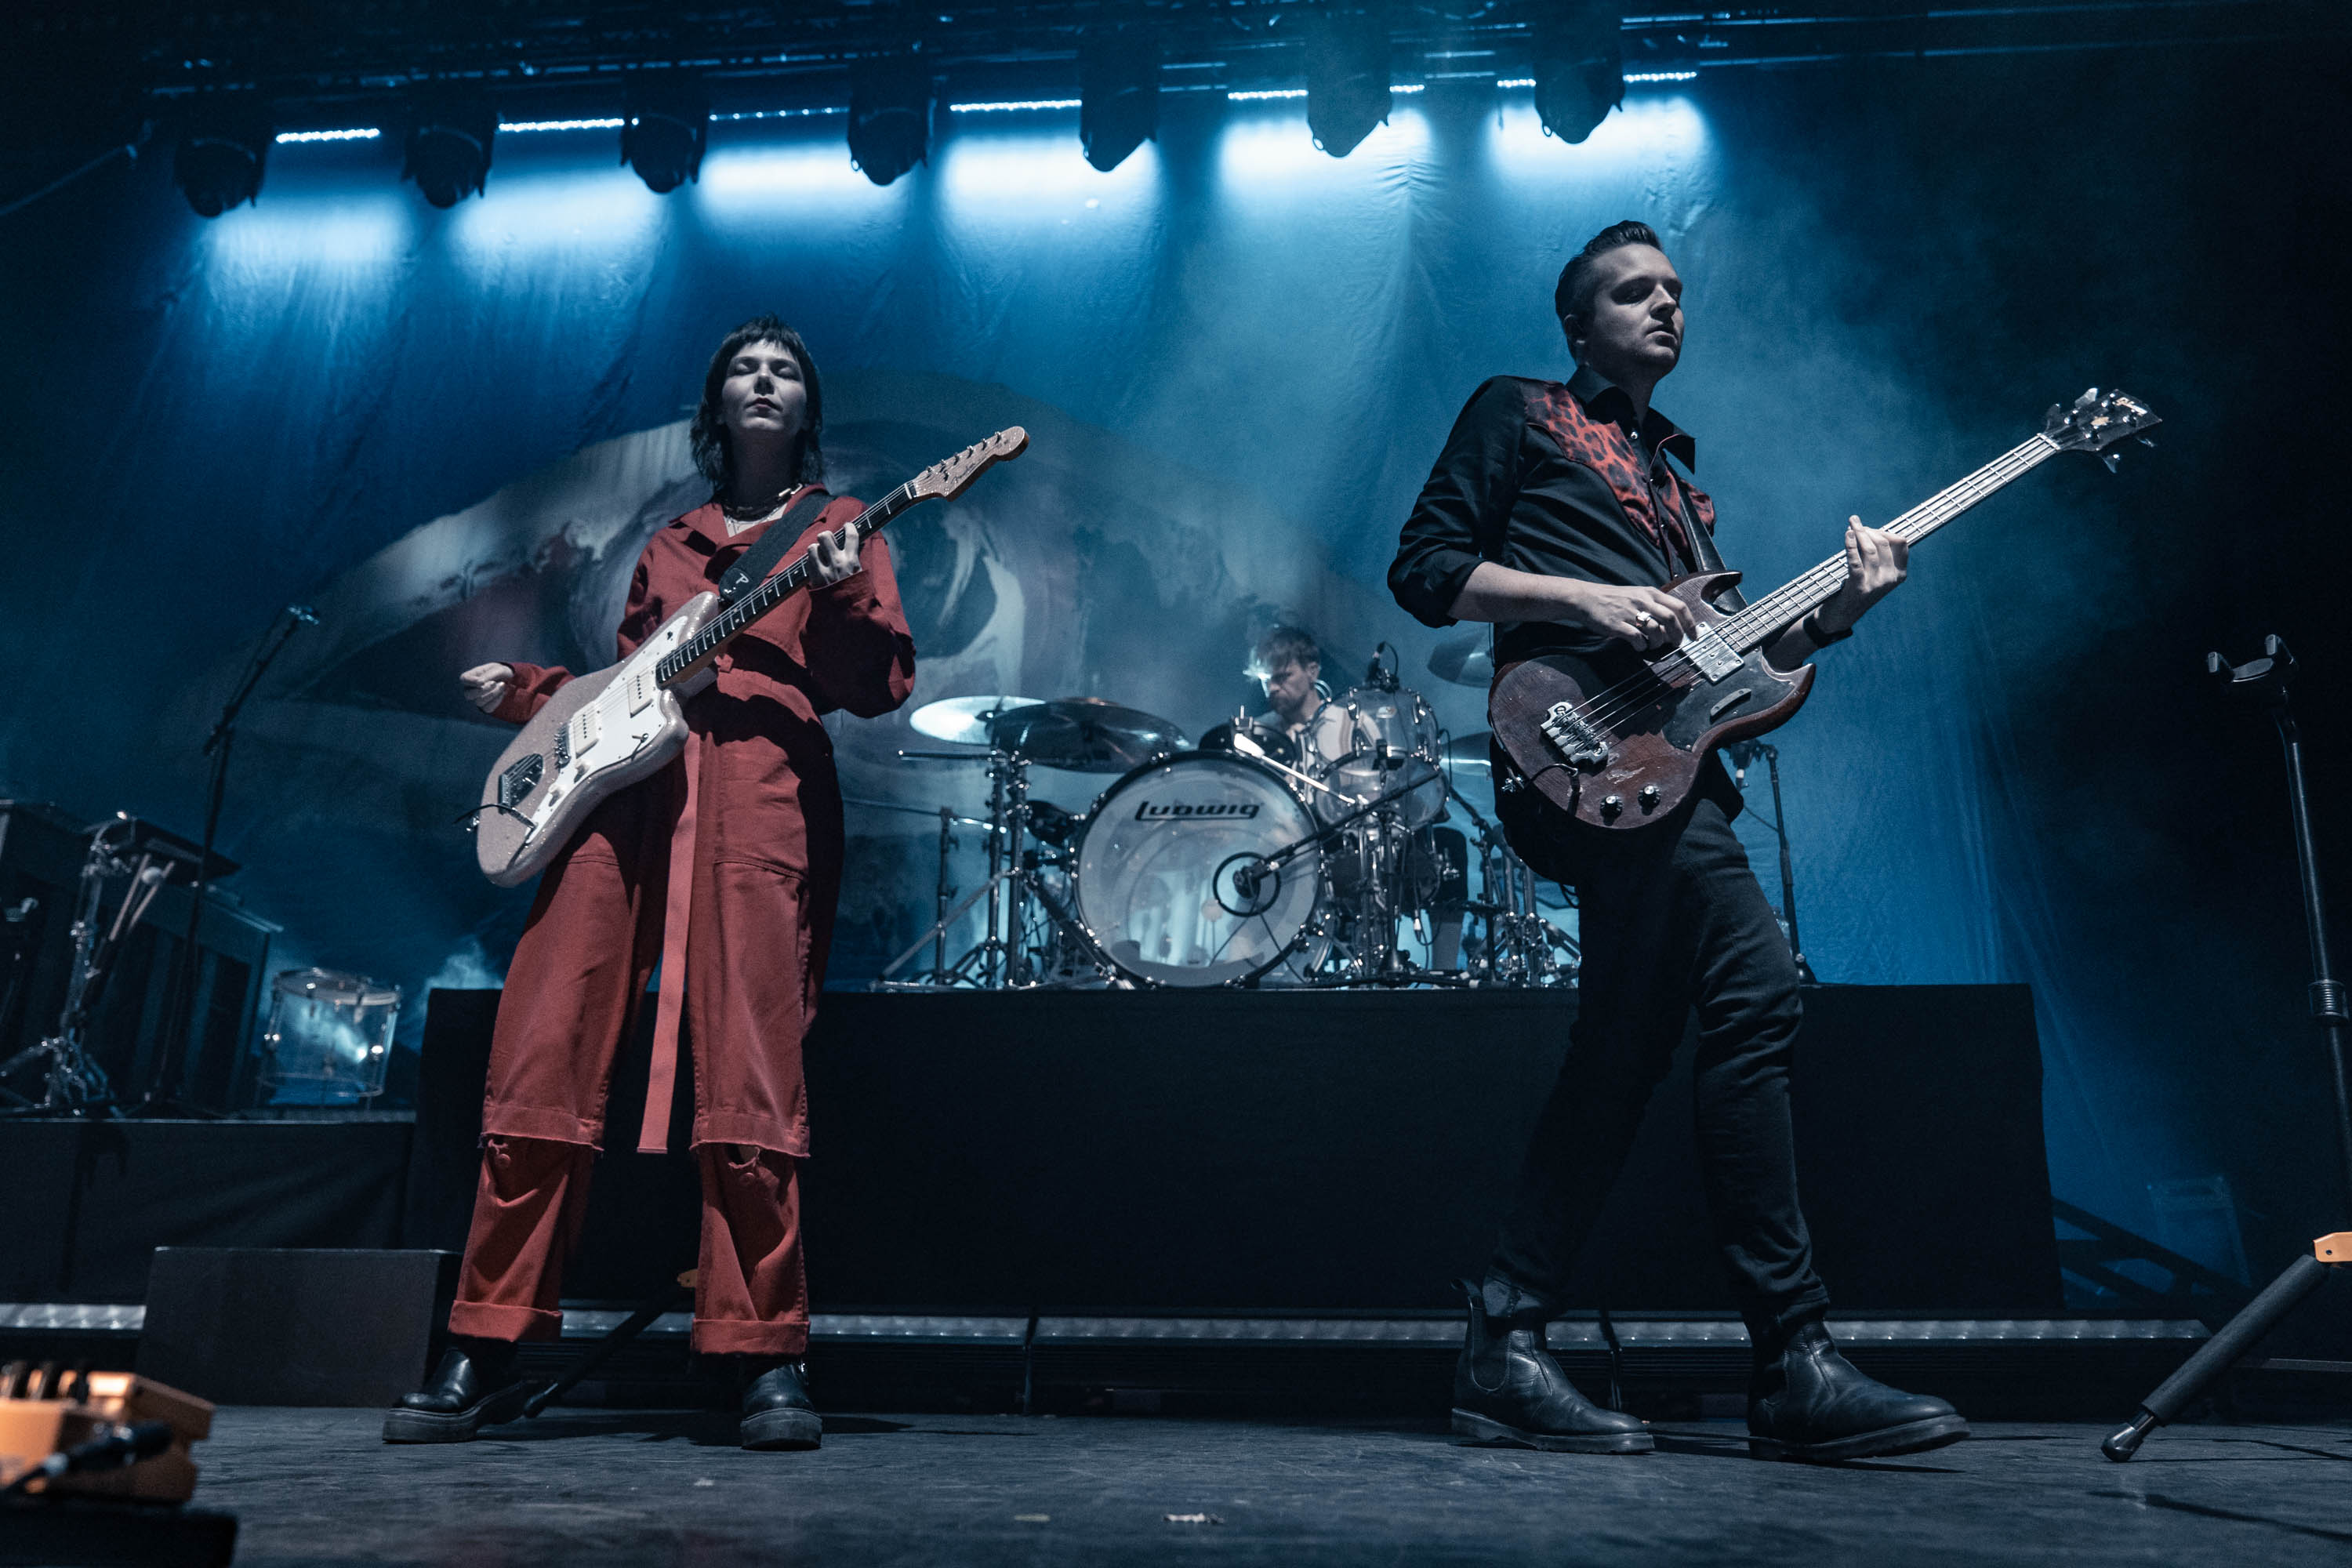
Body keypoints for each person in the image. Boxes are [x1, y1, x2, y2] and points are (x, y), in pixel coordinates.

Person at [1388, 220, 1966, 1462]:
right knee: (1755, 998)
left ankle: (1504, 1338)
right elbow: (1424, 567)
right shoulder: (1523, 413)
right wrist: (1588, 598)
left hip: (1672, 778)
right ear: (1578, 324)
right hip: (1575, 753)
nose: (1665, 308)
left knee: (1622, 1055)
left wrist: (1840, 617)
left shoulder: (1682, 486)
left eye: (1675, 290)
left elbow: (1739, 677)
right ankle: (1794, 1360)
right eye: (1633, 292)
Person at [385, 316, 917, 1451]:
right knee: (542, 1044)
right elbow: (624, 686)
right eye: (745, 368)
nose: (764, 379)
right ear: (718, 403)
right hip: (624, 802)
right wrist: (530, 688)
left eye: (785, 369)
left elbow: (877, 685)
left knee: (752, 1073)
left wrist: (843, 597)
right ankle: (483, 1340)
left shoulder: (838, 530)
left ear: (805, 407)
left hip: (759, 787)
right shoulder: (670, 541)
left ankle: (763, 1356)